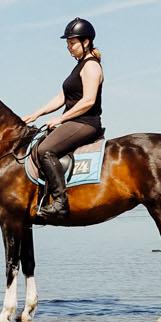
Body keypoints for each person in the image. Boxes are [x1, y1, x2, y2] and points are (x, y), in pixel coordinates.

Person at [22, 17, 104, 219]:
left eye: (72, 42)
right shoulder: (79, 66)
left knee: (44, 150)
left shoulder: (91, 66)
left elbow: (88, 101)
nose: (69, 47)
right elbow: (62, 97)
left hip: (86, 123)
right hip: (74, 121)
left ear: (86, 42)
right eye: (67, 43)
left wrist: (60, 119)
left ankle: (60, 202)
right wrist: (37, 113)